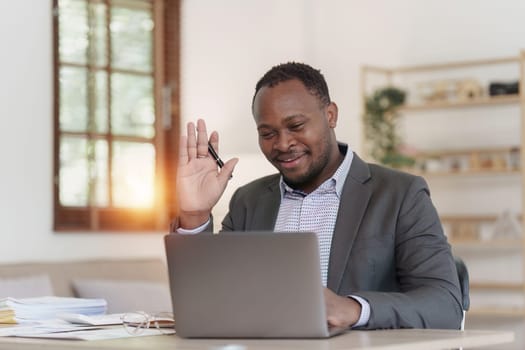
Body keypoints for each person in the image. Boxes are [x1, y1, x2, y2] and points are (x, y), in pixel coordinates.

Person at [173, 62, 463, 330]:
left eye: (296, 126)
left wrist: (352, 309)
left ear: (331, 115)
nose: (283, 143)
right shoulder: (248, 201)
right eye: (268, 133)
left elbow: (444, 304)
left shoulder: (401, 195)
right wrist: (195, 215)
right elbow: (208, 302)